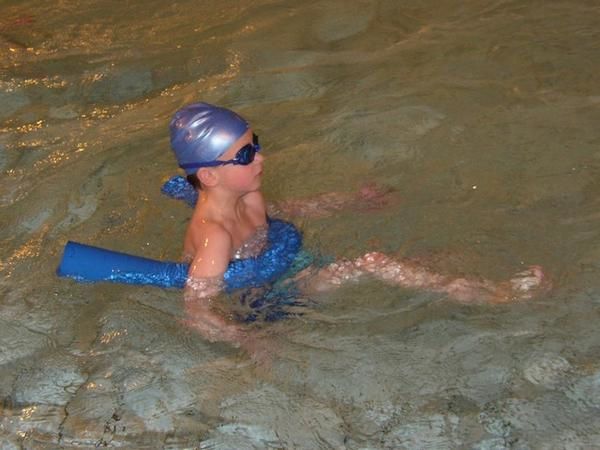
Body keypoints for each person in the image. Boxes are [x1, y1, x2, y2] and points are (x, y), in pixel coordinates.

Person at [169, 102, 548, 351]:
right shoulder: (215, 236)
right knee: (373, 262)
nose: (261, 158)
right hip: (262, 306)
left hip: (288, 268)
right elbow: (197, 310)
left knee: (404, 261)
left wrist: (352, 202)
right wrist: (249, 340)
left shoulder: (247, 194)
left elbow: (288, 209)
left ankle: (450, 274)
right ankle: (494, 295)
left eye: (257, 144)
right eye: (247, 154)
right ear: (209, 175)